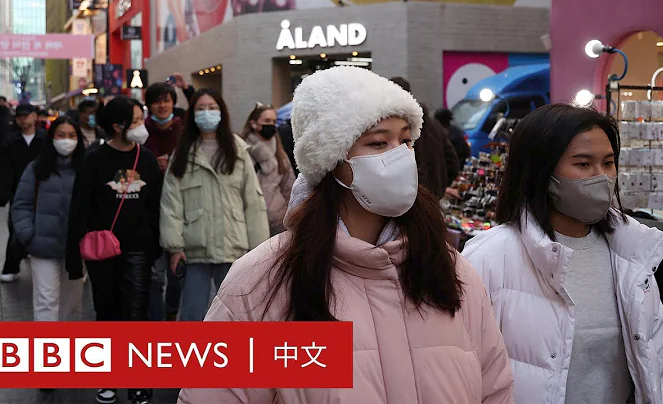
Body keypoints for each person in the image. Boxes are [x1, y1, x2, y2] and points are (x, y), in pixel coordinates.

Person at [177, 67, 512, 403]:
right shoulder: (262, 280)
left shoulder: (450, 269)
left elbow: (496, 389)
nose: (399, 155)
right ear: (331, 160)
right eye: (379, 142)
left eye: (406, 140)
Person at [462, 104, 663, 404]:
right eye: (582, 164)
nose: (601, 177)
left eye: (608, 162)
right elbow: (463, 371)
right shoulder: (489, 257)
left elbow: (658, 367)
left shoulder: (633, 256)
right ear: (542, 171)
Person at [66, 96, 161, 404]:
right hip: (102, 249)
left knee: (136, 313)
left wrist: (157, 244)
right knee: (106, 312)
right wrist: (73, 256)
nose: (140, 126)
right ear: (118, 126)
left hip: (138, 247)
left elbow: (156, 203)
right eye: (134, 121)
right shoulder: (94, 159)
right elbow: (79, 206)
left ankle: (137, 378)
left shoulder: (145, 159)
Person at [160, 88, 270, 322]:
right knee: (192, 314)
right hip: (194, 248)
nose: (207, 113)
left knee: (238, 314)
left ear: (222, 112)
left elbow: (253, 200)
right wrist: (174, 246)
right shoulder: (182, 152)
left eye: (212, 108)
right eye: (201, 109)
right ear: (192, 114)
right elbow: (171, 202)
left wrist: (259, 249)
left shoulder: (237, 149)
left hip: (234, 246)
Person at [11, 116, 86, 323]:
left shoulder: (86, 169)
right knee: (46, 303)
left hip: (75, 249)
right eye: (61, 135)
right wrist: (29, 236)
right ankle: (48, 350)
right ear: (51, 137)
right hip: (42, 248)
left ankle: (70, 350)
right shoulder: (36, 169)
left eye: (71, 135)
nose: (66, 140)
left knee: (72, 305)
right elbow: (21, 205)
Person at [144, 81, 184, 322]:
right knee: (155, 275)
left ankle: (171, 312)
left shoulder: (184, 130)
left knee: (177, 273)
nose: (162, 105)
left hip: (179, 210)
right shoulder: (141, 131)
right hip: (150, 211)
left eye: (166, 100)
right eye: (157, 101)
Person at [0, 104, 46, 283]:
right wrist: (1, 192)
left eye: (27, 116)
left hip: (44, 192)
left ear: (35, 117)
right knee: (16, 229)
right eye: (20, 117)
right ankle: (11, 267)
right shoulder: (11, 141)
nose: (24, 120)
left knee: (45, 227)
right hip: (18, 193)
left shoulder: (45, 139)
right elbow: (3, 169)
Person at [389, 76, 460, 198]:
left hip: (408, 198)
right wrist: (440, 186)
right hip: (433, 196)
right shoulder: (435, 126)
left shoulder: (396, 127)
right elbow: (453, 162)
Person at [241, 103, 296, 235]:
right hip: (249, 220)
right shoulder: (242, 150)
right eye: (267, 121)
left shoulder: (280, 153)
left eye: (273, 121)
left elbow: (289, 188)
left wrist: (289, 215)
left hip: (277, 221)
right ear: (254, 124)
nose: (271, 125)